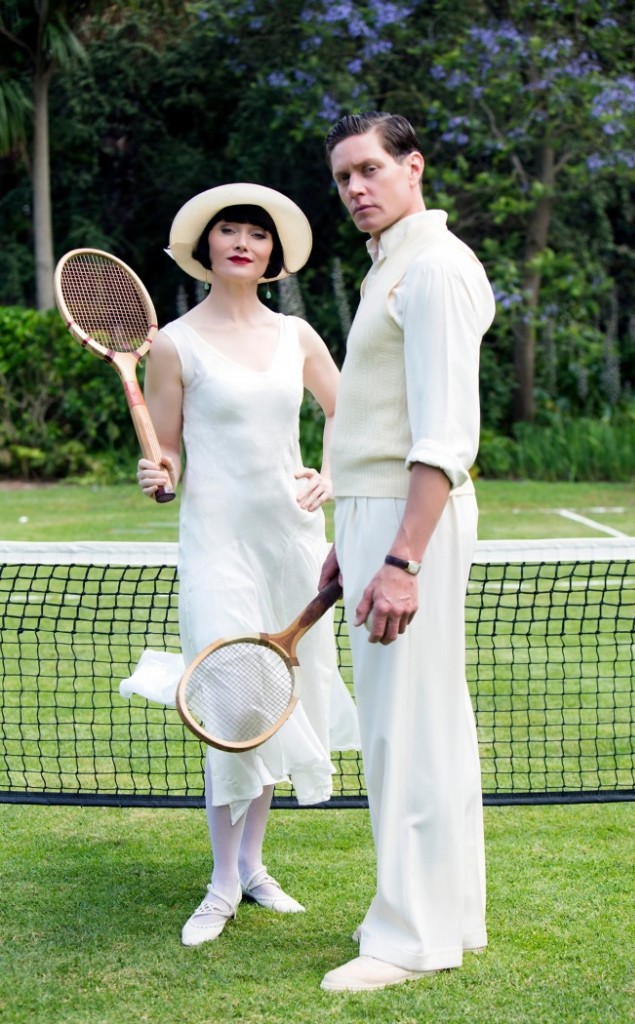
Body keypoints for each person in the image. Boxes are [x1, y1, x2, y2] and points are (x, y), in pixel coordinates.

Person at [129, 182, 359, 947]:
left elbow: (349, 414)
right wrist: (158, 476)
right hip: (216, 547)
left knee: (272, 705)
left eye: (255, 234)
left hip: (291, 543)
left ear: (271, 256)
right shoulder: (173, 343)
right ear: (205, 249)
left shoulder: (297, 336)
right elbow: (166, 454)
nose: (242, 242)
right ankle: (221, 883)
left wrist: (331, 471)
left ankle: (253, 869)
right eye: (228, 230)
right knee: (228, 706)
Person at [318, 112, 496, 992]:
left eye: (368, 170)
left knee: (404, 733)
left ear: (412, 167)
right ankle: (449, 915)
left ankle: (408, 938)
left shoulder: (434, 269)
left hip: (409, 522)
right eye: (343, 176)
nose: (354, 188)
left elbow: (443, 433)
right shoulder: (390, 263)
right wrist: (352, 547)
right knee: (424, 725)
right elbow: (378, 424)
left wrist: (400, 558)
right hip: (377, 519)